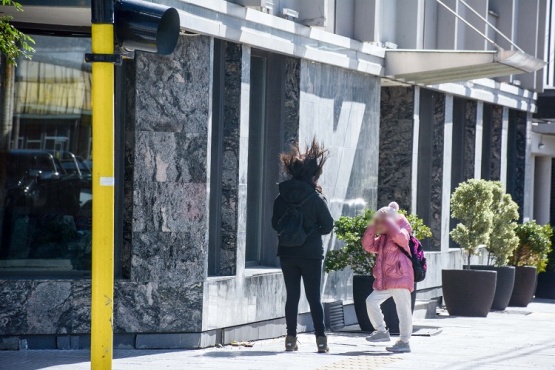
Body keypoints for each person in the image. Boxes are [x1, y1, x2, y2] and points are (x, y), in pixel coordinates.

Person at [272, 140, 334, 353]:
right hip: (311, 255)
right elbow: (327, 226)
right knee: (314, 297)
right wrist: (311, 231)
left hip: (287, 252)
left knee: (292, 296)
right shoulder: (316, 198)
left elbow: (274, 224)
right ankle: (321, 340)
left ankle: (290, 339)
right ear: (312, 176)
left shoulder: (281, 196)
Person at [361, 202, 414, 353]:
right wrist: (373, 223)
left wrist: (388, 220)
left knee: (403, 310)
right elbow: (368, 245)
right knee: (371, 301)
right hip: (387, 280)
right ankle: (381, 331)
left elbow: (401, 238)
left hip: (400, 277)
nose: (378, 228)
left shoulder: (404, 228)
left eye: (380, 224)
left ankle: (404, 341)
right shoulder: (384, 237)